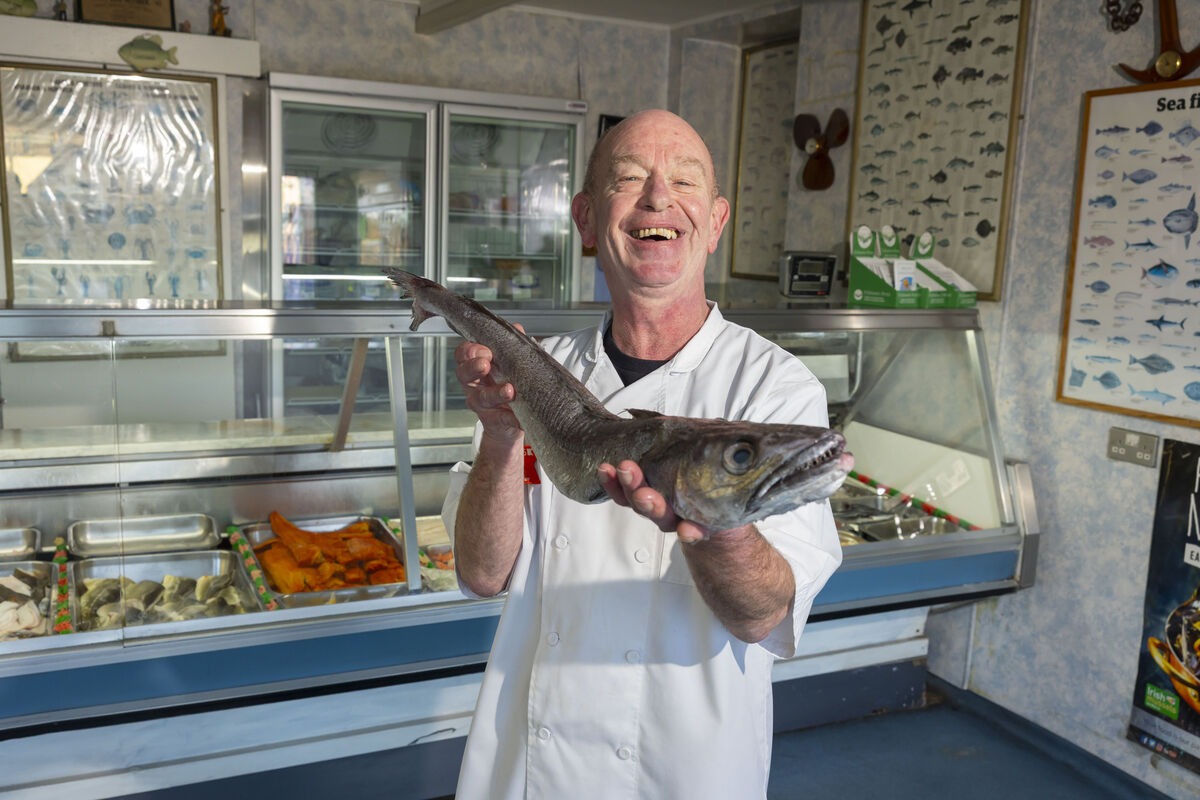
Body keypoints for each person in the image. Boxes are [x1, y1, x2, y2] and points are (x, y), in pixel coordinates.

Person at [441, 109, 842, 799]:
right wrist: (504, 436)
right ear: (588, 219)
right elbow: (482, 573)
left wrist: (716, 528)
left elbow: (765, 615)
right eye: (629, 179)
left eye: (684, 181)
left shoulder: (777, 387)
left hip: (681, 768)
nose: (659, 197)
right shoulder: (536, 376)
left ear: (714, 223)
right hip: (532, 763)